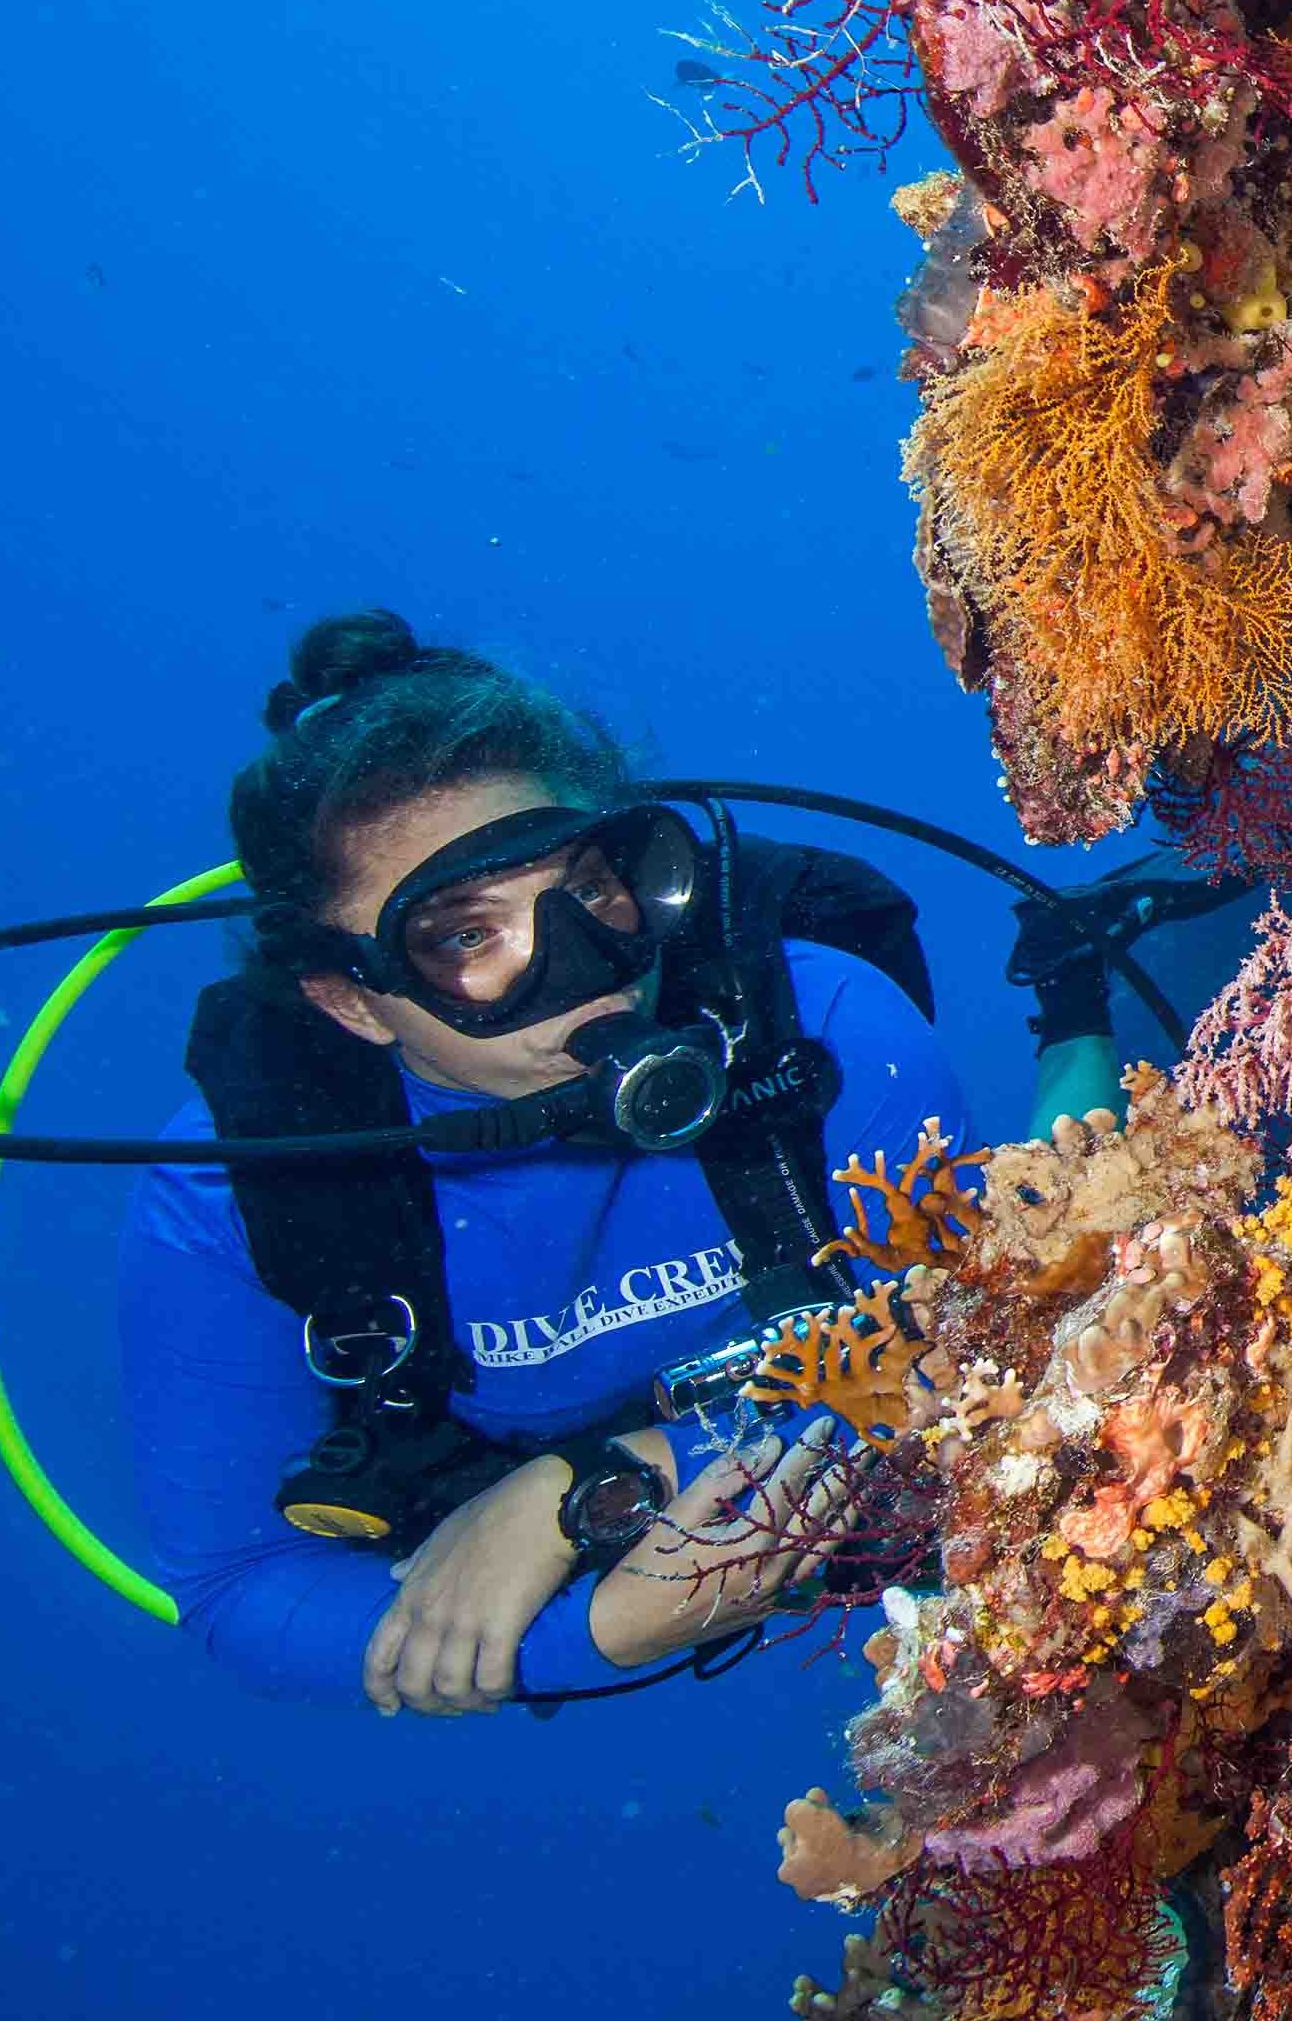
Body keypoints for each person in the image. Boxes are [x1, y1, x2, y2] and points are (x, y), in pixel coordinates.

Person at [119, 612, 1057, 1715]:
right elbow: (238, 1583)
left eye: (592, 890)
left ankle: (1072, 999)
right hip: (650, 1508)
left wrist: (602, 1483)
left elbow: (993, 1346)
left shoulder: (825, 1025)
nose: (583, 973)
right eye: (467, 936)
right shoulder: (238, 1195)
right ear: (350, 996)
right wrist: (597, 1633)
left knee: (1067, 1186)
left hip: (812, 1461)